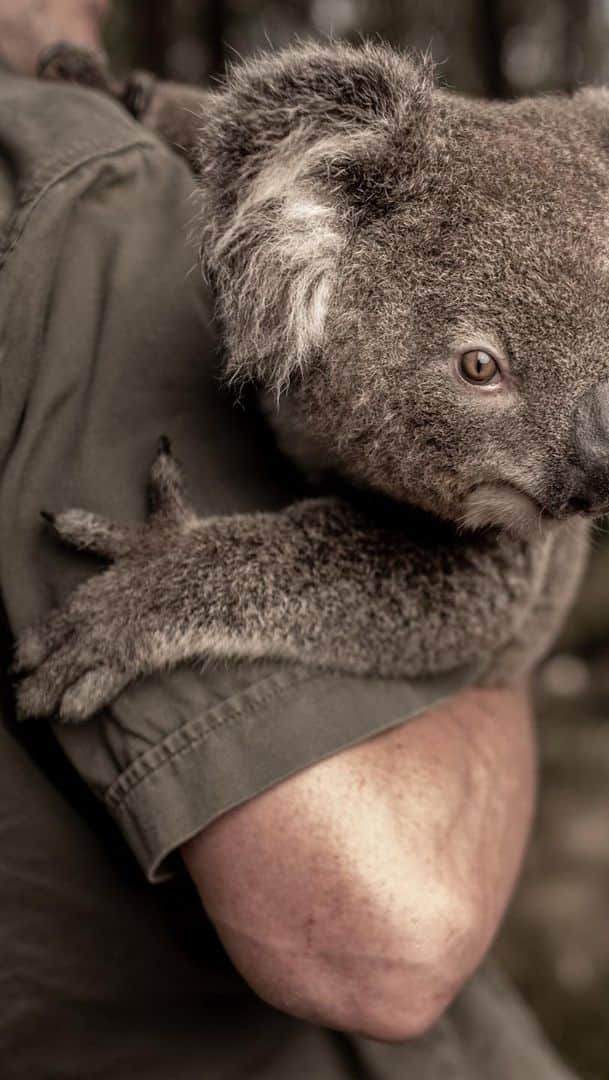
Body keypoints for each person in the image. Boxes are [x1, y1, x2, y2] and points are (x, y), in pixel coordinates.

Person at [0, 3, 574, 1076]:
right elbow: (385, 936)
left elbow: (239, 141)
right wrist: (184, 588)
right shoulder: (96, 201)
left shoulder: (120, 153)